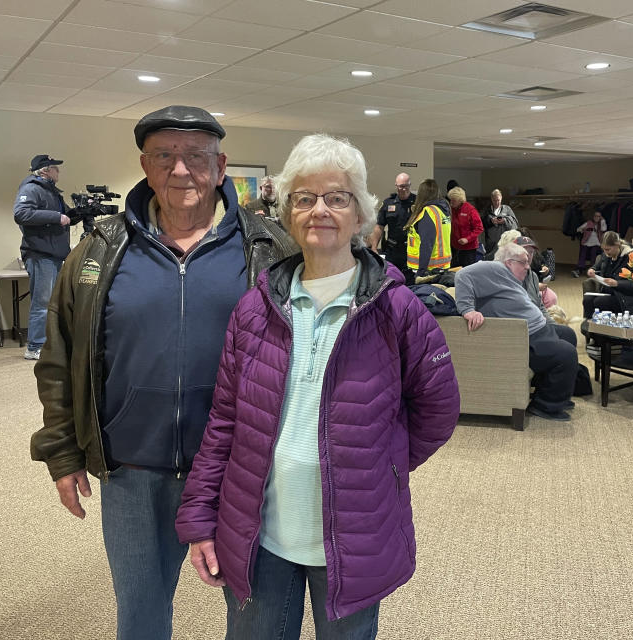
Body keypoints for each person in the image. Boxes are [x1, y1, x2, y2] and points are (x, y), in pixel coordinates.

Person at [174, 133, 460, 639]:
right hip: (261, 536)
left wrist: (382, 461)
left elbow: (437, 409)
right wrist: (200, 518)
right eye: (304, 198)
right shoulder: (255, 309)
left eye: (337, 197)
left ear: (359, 214)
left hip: (354, 538)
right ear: (288, 212)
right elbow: (224, 422)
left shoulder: (398, 311)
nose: (319, 210)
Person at [29, 105, 295, 640]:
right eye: (165, 156)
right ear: (145, 167)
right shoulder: (99, 250)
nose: (181, 170)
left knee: (256, 617)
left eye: (195, 156)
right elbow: (59, 356)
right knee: (141, 617)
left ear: (220, 168)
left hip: (241, 471)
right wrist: (61, 451)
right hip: (132, 471)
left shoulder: (270, 249)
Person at [456, 242, 579, 422]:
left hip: (536, 329)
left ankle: (552, 391)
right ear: (508, 262)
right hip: (523, 337)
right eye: (523, 262)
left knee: (568, 335)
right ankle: (545, 405)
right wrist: (467, 310)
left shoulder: (509, 275)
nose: (528, 267)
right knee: (566, 354)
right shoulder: (494, 269)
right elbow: (462, 274)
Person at [13, 154, 94, 360]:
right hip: (40, 254)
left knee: (53, 302)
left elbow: (67, 219)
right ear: (45, 170)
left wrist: (81, 212)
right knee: (42, 302)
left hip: (54, 254)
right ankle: (35, 347)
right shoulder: (31, 188)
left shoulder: (52, 193)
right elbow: (21, 214)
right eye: (55, 168)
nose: (59, 171)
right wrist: (56, 217)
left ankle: (49, 344)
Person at [581, 231, 633, 319]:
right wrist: (593, 269)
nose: (605, 252)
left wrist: (617, 283)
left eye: (608, 249)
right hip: (606, 292)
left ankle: (602, 327)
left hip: (622, 296)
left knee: (599, 302)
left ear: (617, 245)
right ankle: (589, 326)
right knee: (587, 300)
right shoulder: (606, 256)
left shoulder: (630, 258)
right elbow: (598, 265)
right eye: (603, 249)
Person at [404, 178, 452, 276]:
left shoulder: (428, 212)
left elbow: (426, 244)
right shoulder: (442, 211)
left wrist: (421, 273)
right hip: (441, 267)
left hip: (427, 270)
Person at [370, 171, 415, 272]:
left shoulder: (417, 202)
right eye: (401, 186)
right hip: (392, 250)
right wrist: (374, 247)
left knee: (410, 281)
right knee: (391, 277)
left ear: (410, 185)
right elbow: (379, 226)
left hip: (412, 250)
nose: (403, 189)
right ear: (396, 185)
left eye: (406, 186)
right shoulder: (388, 203)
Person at [448, 186, 483, 267]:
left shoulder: (470, 210)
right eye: (451, 200)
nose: (451, 202)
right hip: (454, 247)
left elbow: (479, 228)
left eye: (454, 200)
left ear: (460, 200)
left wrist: (467, 239)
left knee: (466, 272)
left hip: (468, 249)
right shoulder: (451, 210)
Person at [482, 188, 518, 259]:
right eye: (495, 200)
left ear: (501, 198)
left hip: (504, 244)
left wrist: (504, 220)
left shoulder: (507, 209)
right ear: (492, 199)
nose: (497, 202)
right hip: (491, 245)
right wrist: (491, 221)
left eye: (498, 200)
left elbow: (515, 223)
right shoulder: (487, 210)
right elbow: (482, 223)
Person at [572, 210, 607, 276]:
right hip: (586, 242)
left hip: (596, 243)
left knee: (593, 257)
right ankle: (579, 270)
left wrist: (603, 220)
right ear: (593, 216)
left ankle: (592, 271)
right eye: (596, 216)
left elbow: (604, 228)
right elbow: (578, 229)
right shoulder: (588, 223)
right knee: (582, 256)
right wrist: (584, 230)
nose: (597, 217)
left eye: (599, 216)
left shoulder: (600, 224)